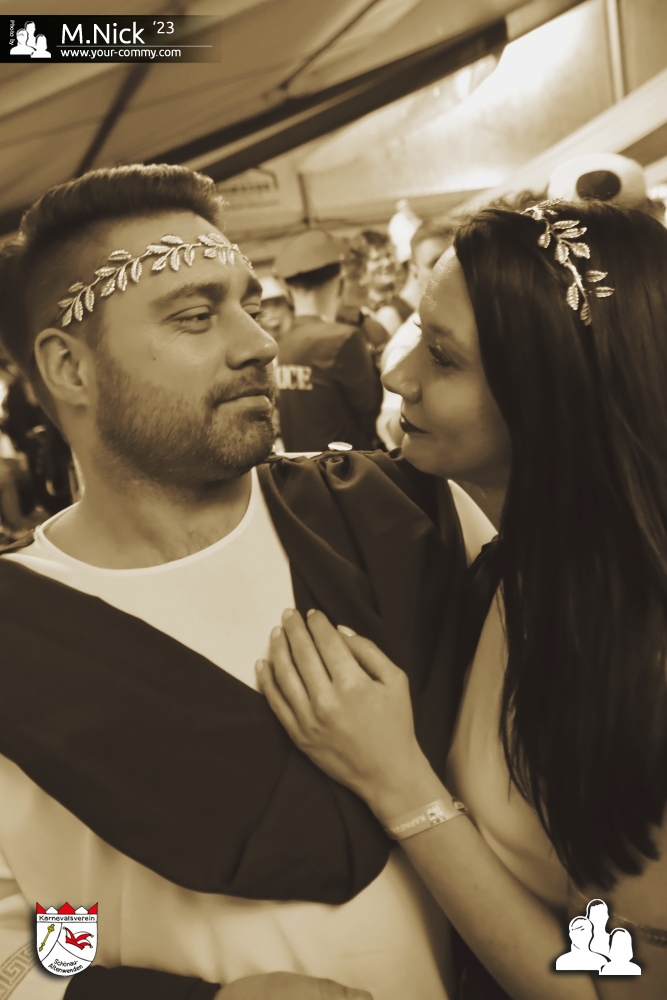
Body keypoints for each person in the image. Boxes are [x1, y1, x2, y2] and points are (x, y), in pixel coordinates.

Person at [0, 163, 476, 1000]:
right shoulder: (19, 635)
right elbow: (24, 931)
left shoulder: (397, 517)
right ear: (70, 368)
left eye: (250, 305)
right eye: (195, 316)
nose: (258, 342)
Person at [257, 201, 667, 999]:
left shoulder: (644, 657)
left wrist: (397, 783)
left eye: (442, 358)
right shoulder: (515, 564)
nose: (396, 373)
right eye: (416, 330)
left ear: (551, 397)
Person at [273, 230, 382, 451]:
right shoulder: (344, 338)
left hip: (300, 467)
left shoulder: (282, 344)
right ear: (339, 282)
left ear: (288, 292)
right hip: (347, 466)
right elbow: (373, 414)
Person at [376, 223, 457, 450]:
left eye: (455, 261)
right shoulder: (407, 343)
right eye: (434, 263)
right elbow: (393, 429)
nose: (448, 270)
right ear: (414, 272)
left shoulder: (473, 325)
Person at [257, 275, 293, 342]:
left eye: (277, 303)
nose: (272, 310)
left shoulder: (299, 336)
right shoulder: (254, 343)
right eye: (264, 306)